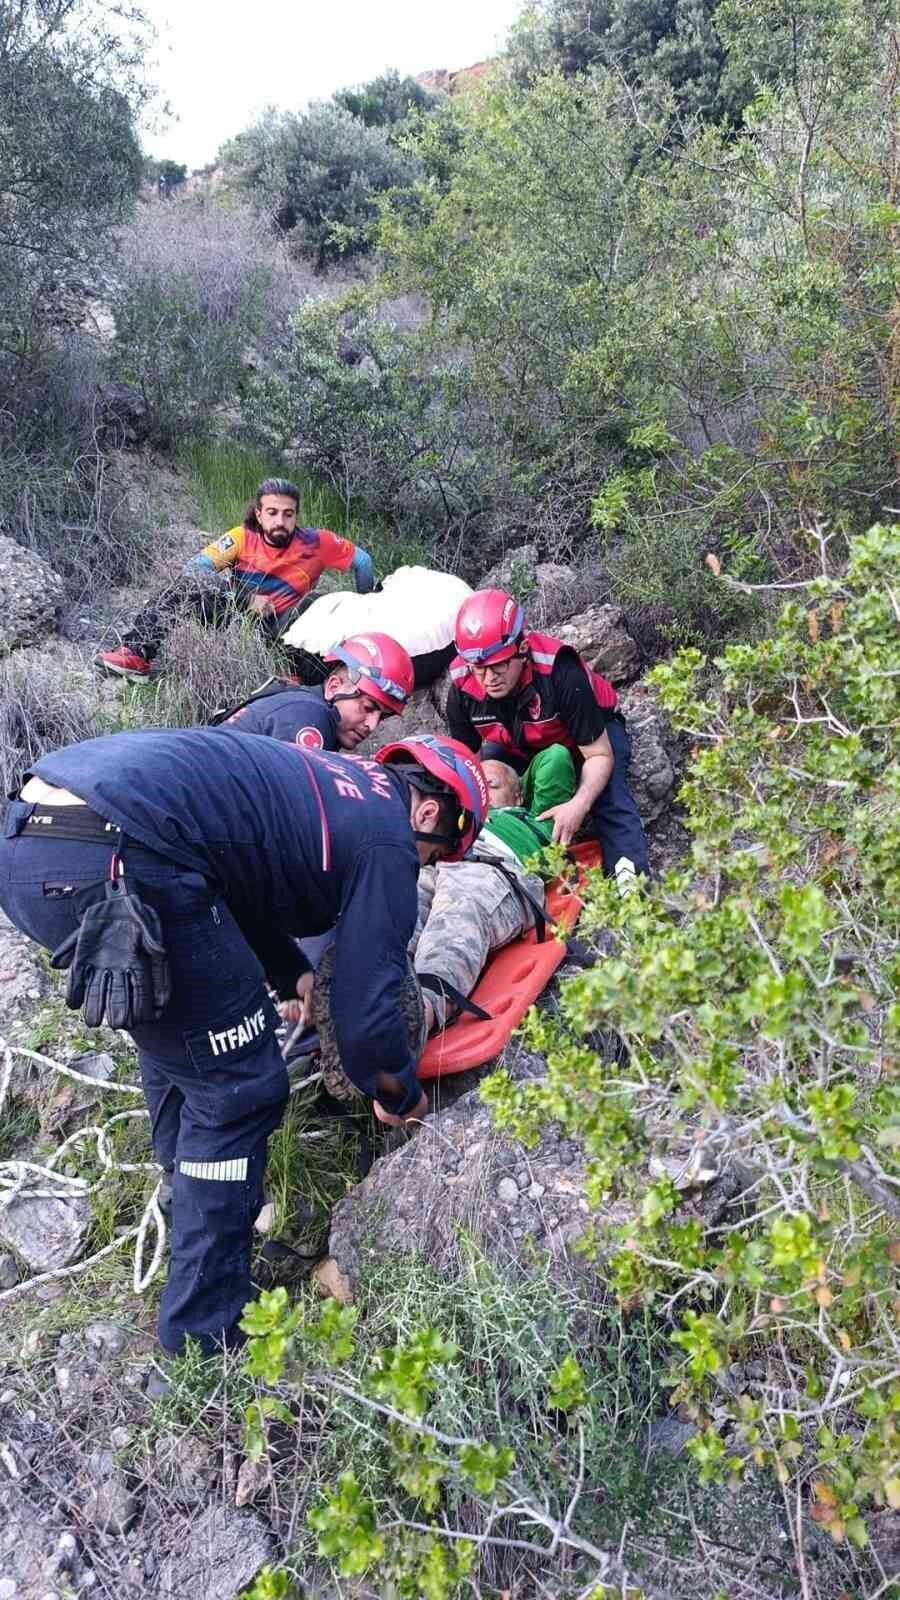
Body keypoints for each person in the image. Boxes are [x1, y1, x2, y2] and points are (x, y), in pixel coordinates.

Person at [0, 728, 488, 1356]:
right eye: (434, 857)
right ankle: (204, 1335)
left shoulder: (335, 781)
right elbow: (367, 1011)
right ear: (430, 815)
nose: (423, 867)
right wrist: (398, 1094)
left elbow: (232, 871)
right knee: (241, 1088)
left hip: (32, 842)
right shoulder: (389, 837)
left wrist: (291, 973)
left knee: (189, 1036)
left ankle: (190, 1200)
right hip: (119, 859)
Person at [446, 588, 649, 893]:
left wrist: (579, 804)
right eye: (479, 669)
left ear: (522, 649)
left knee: (611, 801)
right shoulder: (463, 686)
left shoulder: (559, 672)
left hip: (587, 736)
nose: (489, 678)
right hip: (520, 740)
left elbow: (599, 756)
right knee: (490, 786)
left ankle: (632, 894)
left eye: (499, 665)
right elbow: (469, 767)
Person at [95, 478, 376, 682]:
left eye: (288, 514)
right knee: (188, 586)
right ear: (259, 514)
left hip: (284, 628)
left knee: (319, 604)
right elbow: (196, 569)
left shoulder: (318, 542)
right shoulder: (241, 537)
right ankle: (136, 654)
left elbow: (363, 562)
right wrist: (247, 599)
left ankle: (294, 675)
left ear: (296, 516)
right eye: (272, 513)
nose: (280, 521)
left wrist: (367, 608)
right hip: (236, 619)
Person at [411, 744, 578, 1034]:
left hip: (491, 868)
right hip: (436, 860)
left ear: (519, 796)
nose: (481, 794)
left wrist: (512, 777)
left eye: (490, 785)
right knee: (399, 905)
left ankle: (418, 1017)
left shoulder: (537, 819)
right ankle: (369, 996)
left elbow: (556, 758)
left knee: (460, 915)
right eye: (473, 789)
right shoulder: (454, 819)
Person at [215, 632, 414, 752]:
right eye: (368, 707)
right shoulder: (309, 715)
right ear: (334, 687)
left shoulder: (297, 703)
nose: (372, 725)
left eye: (382, 717)